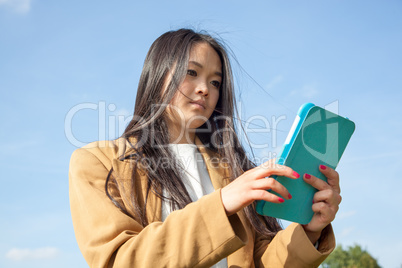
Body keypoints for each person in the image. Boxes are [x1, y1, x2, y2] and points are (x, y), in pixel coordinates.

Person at [69, 28, 341, 267]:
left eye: (215, 82)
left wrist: (309, 232)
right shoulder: (98, 161)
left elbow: (261, 262)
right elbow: (120, 261)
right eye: (191, 72)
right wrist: (221, 204)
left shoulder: (234, 171)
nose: (205, 89)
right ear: (157, 74)